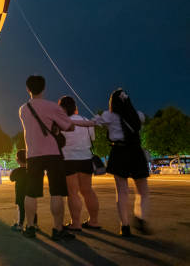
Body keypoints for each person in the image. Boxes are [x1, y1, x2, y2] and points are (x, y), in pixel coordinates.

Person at [19, 75, 76, 241]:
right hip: (53, 153)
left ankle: (29, 227)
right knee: (56, 191)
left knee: (31, 192)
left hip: (33, 155)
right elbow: (69, 126)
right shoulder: (52, 107)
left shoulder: (23, 109)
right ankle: (57, 229)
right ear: (44, 88)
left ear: (28, 89)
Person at [93, 88, 150, 236]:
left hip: (119, 153)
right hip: (136, 152)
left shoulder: (109, 116)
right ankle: (140, 218)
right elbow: (141, 120)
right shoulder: (138, 116)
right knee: (143, 191)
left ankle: (124, 226)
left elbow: (93, 122)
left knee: (122, 192)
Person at [58, 96, 100, 231]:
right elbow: (92, 138)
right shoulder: (86, 121)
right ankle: (94, 221)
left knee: (73, 193)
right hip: (86, 158)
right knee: (88, 191)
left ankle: (76, 223)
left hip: (68, 159)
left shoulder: (61, 122)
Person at [10, 149, 37, 231]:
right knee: (32, 209)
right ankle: (34, 224)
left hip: (20, 194)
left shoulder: (16, 171)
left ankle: (20, 224)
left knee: (21, 209)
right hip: (30, 193)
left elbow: (12, 179)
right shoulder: (32, 170)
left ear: (18, 160)